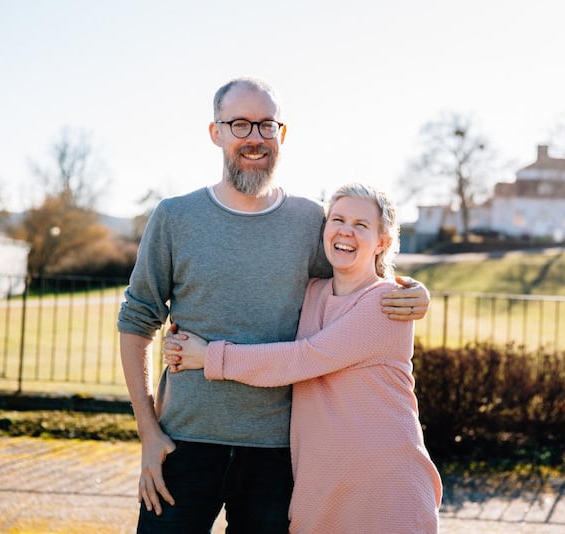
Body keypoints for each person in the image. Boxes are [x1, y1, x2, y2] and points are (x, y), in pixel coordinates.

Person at [117, 77, 430, 534]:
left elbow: (360, 269)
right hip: (183, 441)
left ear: (281, 134)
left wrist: (414, 290)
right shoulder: (174, 217)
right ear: (216, 132)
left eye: (266, 126)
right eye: (239, 124)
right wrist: (148, 432)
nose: (254, 138)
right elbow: (137, 319)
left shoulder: (309, 220)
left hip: (276, 455)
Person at [163, 183, 442, 533]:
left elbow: (303, 358)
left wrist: (208, 356)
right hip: (321, 490)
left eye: (361, 225)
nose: (346, 231)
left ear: (382, 241)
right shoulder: (312, 292)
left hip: (384, 488)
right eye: (338, 219)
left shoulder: (386, 302)